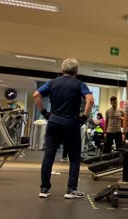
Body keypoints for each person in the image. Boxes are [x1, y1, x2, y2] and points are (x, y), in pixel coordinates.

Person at [34, 58, 94, 199]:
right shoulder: (80, 84)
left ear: (62, 70)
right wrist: (84, 117)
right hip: (71, 124)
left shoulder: (52, 82)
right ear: (76, 72)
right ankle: (71, 190)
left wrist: (44, 113)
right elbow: (90, 100)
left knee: (49, 155)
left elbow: (36, 95)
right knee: (74, 158)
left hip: (54, 122)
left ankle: (44, 189)